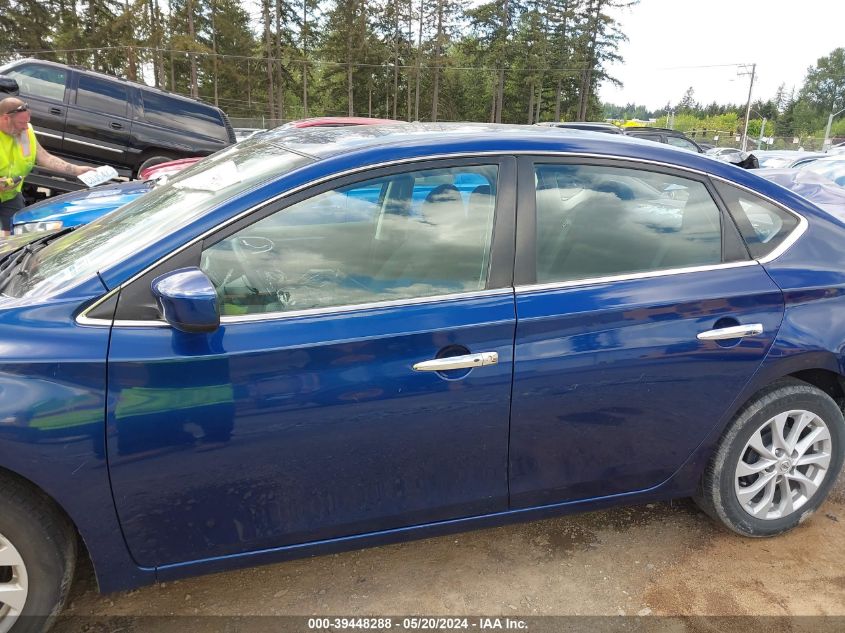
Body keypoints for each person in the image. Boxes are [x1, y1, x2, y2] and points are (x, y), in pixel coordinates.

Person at [0, 97, 97, 235]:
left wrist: (76, 170)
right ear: (5, 119)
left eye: (27, 122)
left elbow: (45, 158)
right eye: (21, 123)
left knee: (15, 235)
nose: (26, 127)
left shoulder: (25, 133)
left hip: (10, 195)